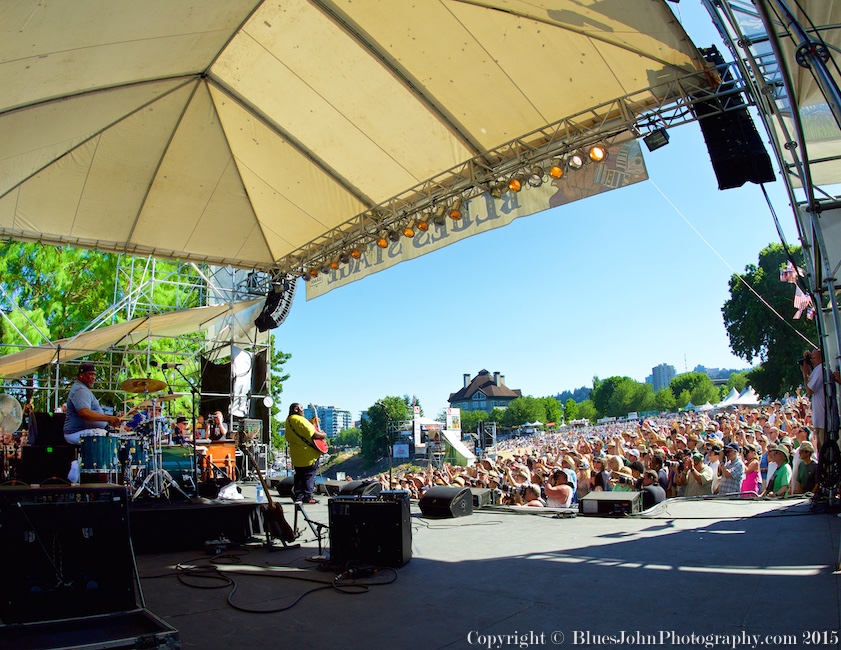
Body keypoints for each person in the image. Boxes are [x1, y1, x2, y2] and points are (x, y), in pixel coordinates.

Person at [63, 362, 122, 445]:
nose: (93, 378)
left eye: (94, 375)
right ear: (81, 375)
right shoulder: (80, 390)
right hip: (78, 432)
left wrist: (109, 419)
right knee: (111, 441)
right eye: (90, 374)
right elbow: (84, 413)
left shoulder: (83, 389)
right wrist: (108, 418)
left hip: (83, 431)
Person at [284, 403, 327, 505]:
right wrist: (323, 435)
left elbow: (303, 430)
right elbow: (313, 434)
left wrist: (313, 422)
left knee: (299, 476)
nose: (302, 410)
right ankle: (308, 497)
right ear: (296, 409)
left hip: (297, 455)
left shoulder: (289, 420)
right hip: (308, 454)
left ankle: (298, 497)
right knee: (309, 476)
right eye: (301, 408)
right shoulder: (299, 419)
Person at [802, 348, 825, 448]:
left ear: (820, 358)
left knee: (824, 449)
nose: (812, 360)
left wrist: (805, 374)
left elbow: (809, 390)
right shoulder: (816, 370)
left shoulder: (821, 369)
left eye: (814, 358)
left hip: (823, 420)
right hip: (819, 420)